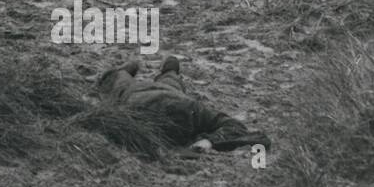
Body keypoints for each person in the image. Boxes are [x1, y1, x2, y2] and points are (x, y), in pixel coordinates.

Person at [96, 56, 269, 153]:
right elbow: (234, 126)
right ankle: (168, 71)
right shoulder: (192, 110)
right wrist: (210, 142)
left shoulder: (192, 109)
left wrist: (209, 142)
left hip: (159, 93)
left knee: (121, 81)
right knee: (120, 82)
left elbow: (234, 127)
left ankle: (162, 71)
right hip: (141, 93)